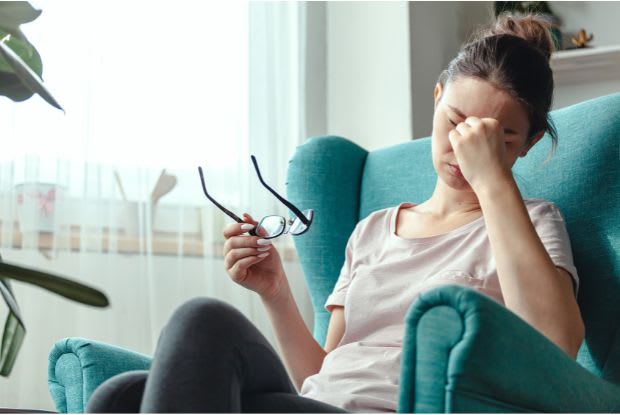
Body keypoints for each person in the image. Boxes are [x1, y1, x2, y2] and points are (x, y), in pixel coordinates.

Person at [86, 12, 583, 413]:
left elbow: (555, 343)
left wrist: (492, 179)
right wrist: (277, 293)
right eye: (454, 122)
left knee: (202, 321)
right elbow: (325, 375)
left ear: (529, 142)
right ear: (436, 99)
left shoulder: (533, 225)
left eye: (498, 137)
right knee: (120, 396)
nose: (462, 147)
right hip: (320, 404)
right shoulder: (372, 231)